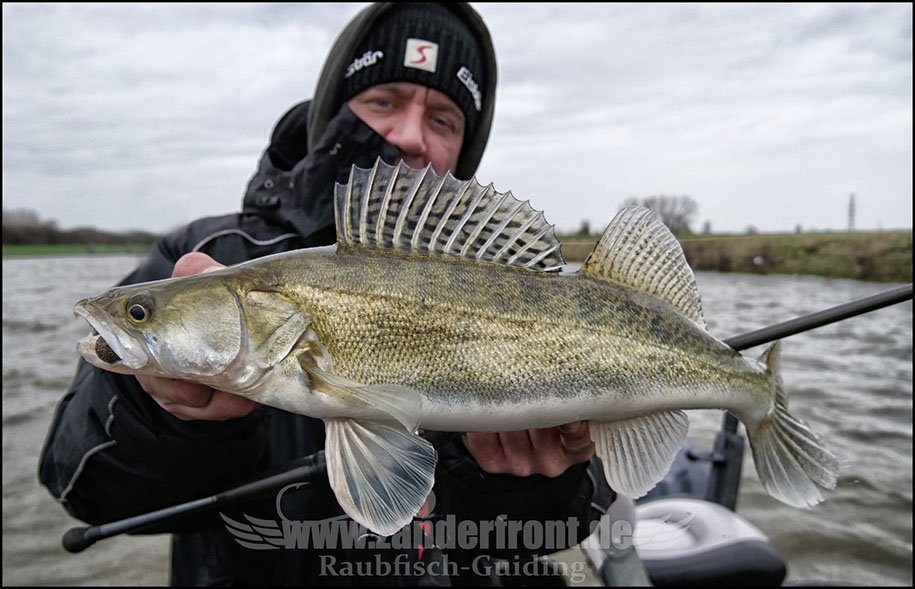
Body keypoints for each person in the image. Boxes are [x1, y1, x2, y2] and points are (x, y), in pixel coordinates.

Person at [40, 3, 615, 585]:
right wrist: (165, 414)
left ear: (466, 149)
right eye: (384, 101)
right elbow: (80, 483)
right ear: (333, 111)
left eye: (443, 120)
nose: (409, 135)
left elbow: (572, 518)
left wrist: (529, 486)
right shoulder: (206, 254)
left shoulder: (501, 274)